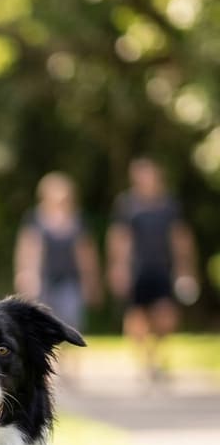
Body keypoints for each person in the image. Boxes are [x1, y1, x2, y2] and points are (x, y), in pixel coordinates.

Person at [107, 157, 199, 381]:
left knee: (166, 317)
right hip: (137, 269)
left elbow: (179, 238)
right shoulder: (127, 205)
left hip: (163, 268)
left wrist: (184, 267)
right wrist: (118, 267)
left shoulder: (169, 205)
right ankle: (146, 360)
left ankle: (156, 355)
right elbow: (119, 237)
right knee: (137, 316)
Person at [13, 172, 101, 332]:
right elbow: (27, 249)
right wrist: (26, 275)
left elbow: (86, 254)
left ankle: (71, 354)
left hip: (70, 279)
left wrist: (90, 280)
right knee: (44, 321)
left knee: (71, 320)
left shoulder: (78, 220)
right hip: (44, 279)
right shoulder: (34, 219)